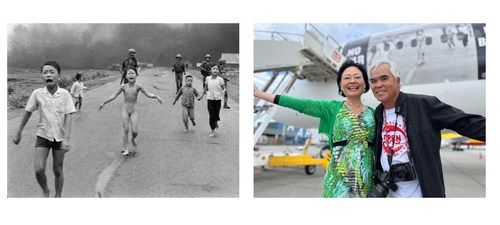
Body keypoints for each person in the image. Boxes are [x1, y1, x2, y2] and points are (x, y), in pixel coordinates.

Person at [254, 60, 375, 198]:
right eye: (347, 78)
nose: (352, 81)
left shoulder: (374, 113)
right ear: (340, 85)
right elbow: (298, 104)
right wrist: (258, 93)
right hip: (338, 181)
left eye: (357, 77)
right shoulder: (331, 108)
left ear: (365, 83)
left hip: (367, 181)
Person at [368, 61, 486, 197]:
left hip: (421, 194)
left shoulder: (423, 105)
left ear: (397, 80)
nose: (378, 85)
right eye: (373, 81)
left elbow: (464, 122)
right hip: (389, 194)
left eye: (384, 78)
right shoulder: (377, 114)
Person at [12, 61, 76, 197]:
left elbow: (69, 116)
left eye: (51, 72)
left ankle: (58, 196)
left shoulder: (65, 94)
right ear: (41, 76)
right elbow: (28, 112)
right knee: (38, 169)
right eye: (45, 72)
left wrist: (67, 139)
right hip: (43, 135)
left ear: (59, 75)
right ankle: (46, 189)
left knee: (58, 170)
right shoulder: (37, 93)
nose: (48, 74)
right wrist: (18, 131)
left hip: (59, 137)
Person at [99, 68, 163, 156]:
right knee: (126, 130)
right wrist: (104, 103)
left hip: (134, 110)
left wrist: (156, 97)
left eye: (133, 73)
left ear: (136, 76)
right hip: (125, 109)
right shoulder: (123, 87)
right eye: (129, 74)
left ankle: (133, 139)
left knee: (135, 131)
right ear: (126, 76)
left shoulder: (138, 87)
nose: (131, 75)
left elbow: (148, 94)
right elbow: (114, 96)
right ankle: (126, 149)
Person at [198, 66, 226, 137]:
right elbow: (205, 88)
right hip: (210, 98)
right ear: (211, 70)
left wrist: (222, 92)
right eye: (213, 69)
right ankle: (212, 130)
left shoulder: (220, 79)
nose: (215, 70)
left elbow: (224, 88)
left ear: (219, 71)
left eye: (217, 69)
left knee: (216, 114)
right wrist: (201, 96)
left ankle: (216, 121)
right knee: (211, 115)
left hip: (218, 99)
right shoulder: (207, 78)